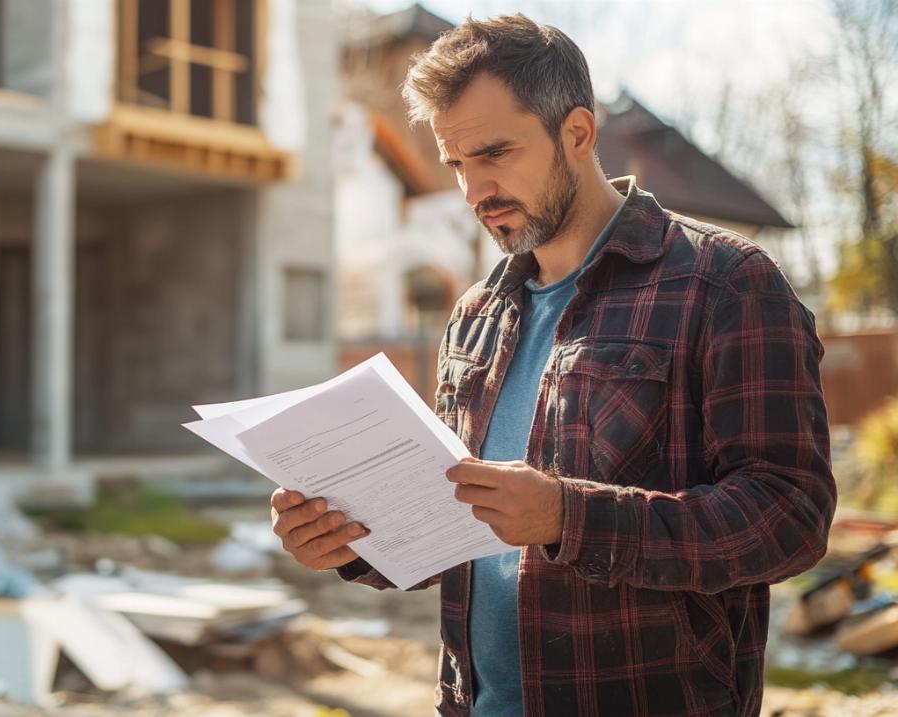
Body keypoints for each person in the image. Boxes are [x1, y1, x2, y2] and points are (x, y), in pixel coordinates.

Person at [269, 13, 835, 717]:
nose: (474, 190)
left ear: (577, 133)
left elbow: (791, 515)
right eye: (457, 164)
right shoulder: (476, 315)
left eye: (496, 153)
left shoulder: (725, 282)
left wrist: (569, 517)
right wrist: (348, 541)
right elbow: (455, 530)